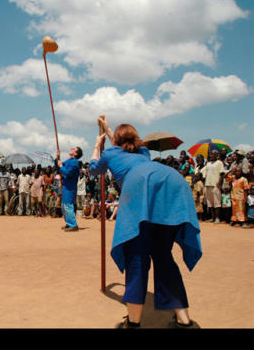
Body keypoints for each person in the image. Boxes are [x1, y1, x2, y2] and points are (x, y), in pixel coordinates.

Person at [90, 116, 201, 329]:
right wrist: (108, 128)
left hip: (141, 188)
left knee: (137, 258)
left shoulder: (111, 153)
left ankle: (133, 323)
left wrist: (96, 146)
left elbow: (94, 168)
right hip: (172, 183)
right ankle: (185, 322)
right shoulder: (143, 152)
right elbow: (121, 143)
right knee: (163, 256)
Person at [56, 146, 82, 231]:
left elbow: (67, 172)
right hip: (66, 185)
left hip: (70, 186)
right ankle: (69, 222)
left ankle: (73, 225)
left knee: (67, 205)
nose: (72, 148)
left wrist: (61, 166)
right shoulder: (69, 161)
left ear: (76, 154)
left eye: (74, 149)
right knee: (64, 205)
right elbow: (59, 167)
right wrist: (57, 158)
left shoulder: (74, 162)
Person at [202, 150, 224, 224]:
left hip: (215, 185)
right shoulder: (208, 164)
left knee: (217, 203)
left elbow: (222, 174)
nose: (210, 155)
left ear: (216, 155)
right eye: (210, 154)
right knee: (210, 203)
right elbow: (203, 173)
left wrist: (219, 183)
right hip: (208, 184)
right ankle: (212, 217)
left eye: (212, 154)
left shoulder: (219, 163)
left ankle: (217, 218)